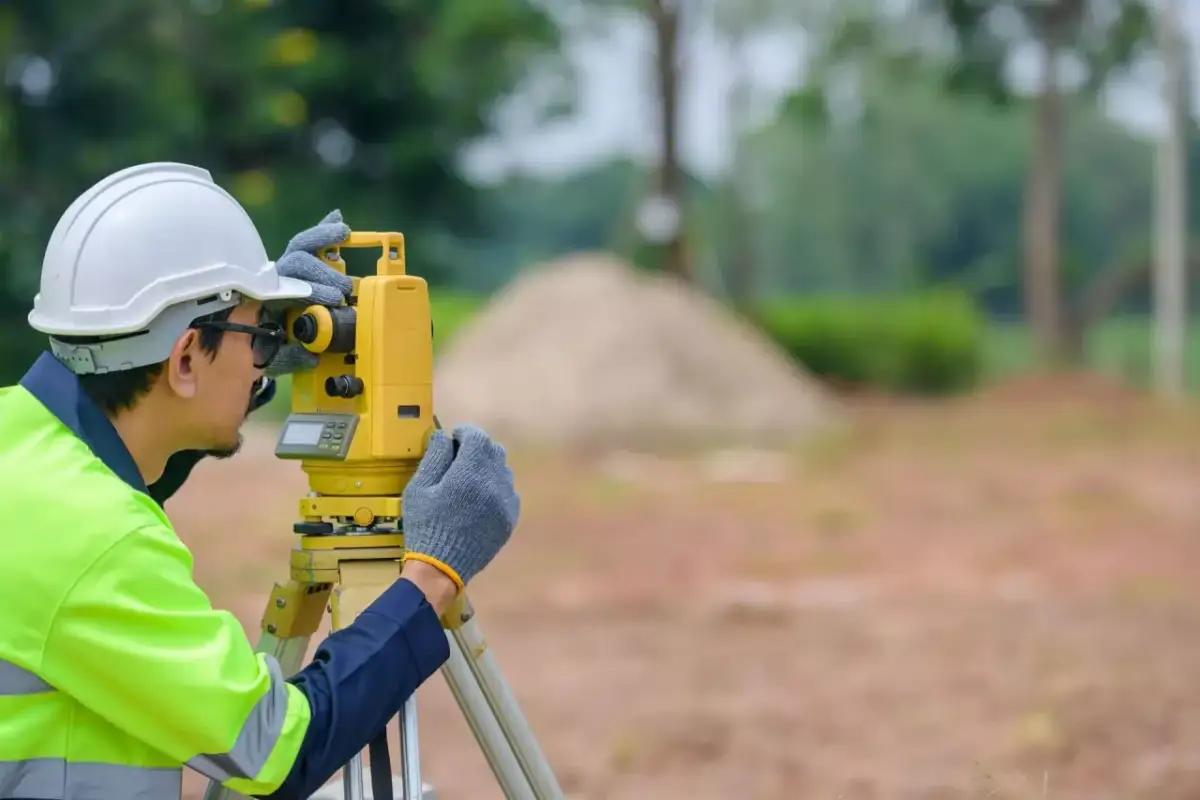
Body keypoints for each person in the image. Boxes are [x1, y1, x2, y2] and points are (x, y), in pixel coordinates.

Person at [0, 162, 520, 800]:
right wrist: (433, 574)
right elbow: (282, 750)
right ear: (185, 358)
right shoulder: (100, 543)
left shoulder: (21, 444)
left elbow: (116, 470)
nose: (266, 358)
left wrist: (247, 342)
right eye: (261, 336)